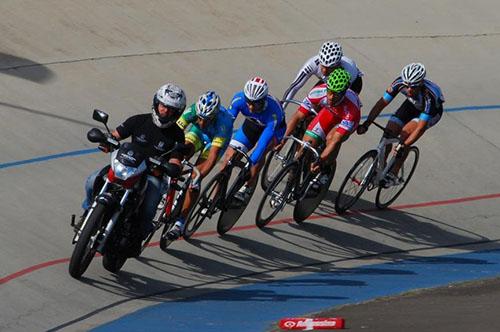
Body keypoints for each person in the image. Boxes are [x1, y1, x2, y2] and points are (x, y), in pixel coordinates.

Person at [79, 83, 187, 254]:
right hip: (124, 165)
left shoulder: (177, 135)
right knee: (92, 180)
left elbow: (176, 158)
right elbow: (116, 135)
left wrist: (171, 167)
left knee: (150, 206)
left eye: (170, 109)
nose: (165, 111)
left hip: (151, 176)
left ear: (177, 112)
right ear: (156, 103)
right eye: (163, 105)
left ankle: (138, 236)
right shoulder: (138, 120)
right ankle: (87, 214)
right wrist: (106, 141)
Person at [357, 62, 445, 186]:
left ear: (420, 84)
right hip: (412, 105)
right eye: (407, 86)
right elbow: (381, 104)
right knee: (389, 132)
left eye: (413, 87)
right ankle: (380, 168)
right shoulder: (399, 83)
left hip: (430, 113)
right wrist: (367, 123)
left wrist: (404, 145)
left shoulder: (428, 97)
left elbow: (419, 129)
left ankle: (393, 173)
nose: (409, 90)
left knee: (405, 136)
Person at [166, 91, 234, 240]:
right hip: (197, 133)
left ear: (214, 116)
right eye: (200, 118)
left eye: (207, 119)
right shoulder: (193, 111)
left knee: (194, 178)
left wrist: (198, 176)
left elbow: (212, 157)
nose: (202, 122)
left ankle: (181, 222)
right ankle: (168, 187)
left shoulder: (224, 123)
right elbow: (174, 132)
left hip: (214, 141)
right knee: (181, 151)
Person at [290, 68, 361, 186]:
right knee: (305, 146)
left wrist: (321, 161)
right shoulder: (319, 92)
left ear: (344, 92)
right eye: (330, 92)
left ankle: (326, 169)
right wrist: (283, 138)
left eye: (336, 94)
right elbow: (298, 115)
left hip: (345, 118)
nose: (331, 97)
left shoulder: (352, 109)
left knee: (331, 139)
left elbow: (335, 140)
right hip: (330, 113)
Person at [223, 76, 286, 203]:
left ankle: (248, 186)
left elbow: (261, 145)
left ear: (263, 100)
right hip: (252, 125)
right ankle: (216, 195)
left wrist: (249, 165)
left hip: (273, 129)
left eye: (255, 103)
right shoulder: (239, 99)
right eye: (249, 102)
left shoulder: (273, 112)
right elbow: (227, 125)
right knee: (228, 159)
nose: (251, 107)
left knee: (259, 154)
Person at [281, 41, 363, 109]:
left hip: (351, 85)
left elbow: (338, 96)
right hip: (328, 81)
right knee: (311, 100)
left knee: (333, 108)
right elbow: (294, 87)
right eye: (322, 66)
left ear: (337, 65)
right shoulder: (312, 64)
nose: (324, 70)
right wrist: (282, 108)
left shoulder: (349, 70)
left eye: (329, 68)